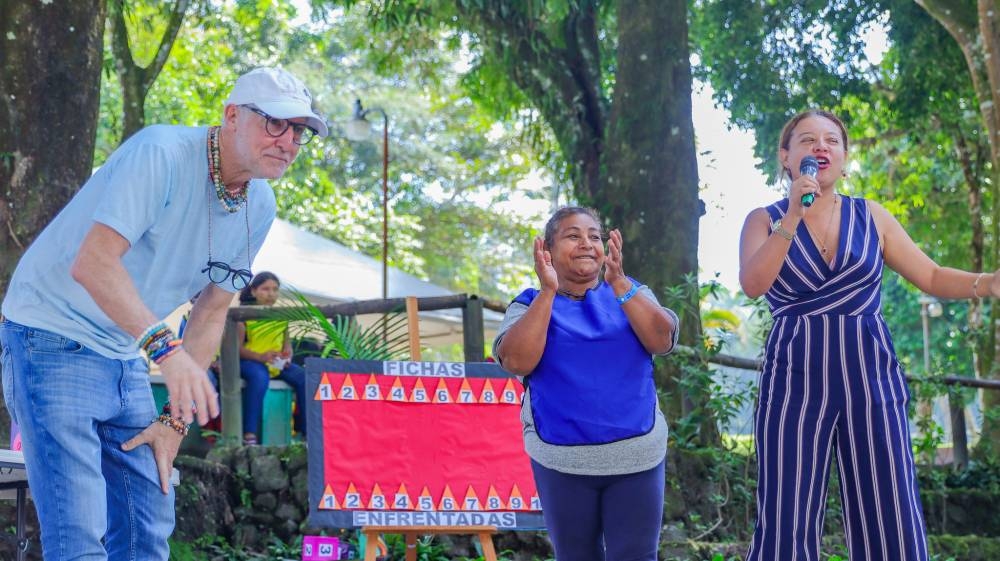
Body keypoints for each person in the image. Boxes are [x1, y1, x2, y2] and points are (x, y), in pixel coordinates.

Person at [0, 66, 327, 560]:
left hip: (123, 348)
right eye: (276, 123)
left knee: (148, 521)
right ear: (232, 116)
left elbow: (214, 309)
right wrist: (167, 353)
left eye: (300, 130)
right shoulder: (160, 152)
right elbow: (92, 264)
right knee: (79, 533)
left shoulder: (260, 203)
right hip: (48, 331)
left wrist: (174, 423)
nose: (289, 141)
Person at [739, 108, 1000, 561]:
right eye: (807, 140)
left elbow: (933, 277)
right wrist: (794, 216)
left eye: (831, 141)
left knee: (889, 512)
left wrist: (988, 283)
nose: (821, 147)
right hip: (794, 380)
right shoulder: (763, 220)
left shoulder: (871, 216)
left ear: (843, 157)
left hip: (871, 376)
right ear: (786, 157)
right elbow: (754, 283)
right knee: (786, 515)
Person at [493, 206, 679, 560]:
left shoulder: (630, 293)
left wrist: (620, 282)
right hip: (561, 460)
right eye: (572, 235)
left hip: (637, 455)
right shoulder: (529, 304)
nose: (586, 244)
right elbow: (516, 360)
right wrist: (549, 291)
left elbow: (663, 341)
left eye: (594, 236)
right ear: (547, 251)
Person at [237, 271, 307, 445]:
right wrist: (261, 357)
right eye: (265, 289)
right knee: (260, 378)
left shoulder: (281, 315)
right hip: (249, 361)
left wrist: (287, 353)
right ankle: (249, 434)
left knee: (305, 377)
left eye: (275, 289)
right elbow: (235, 349)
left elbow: (287, 343)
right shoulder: (242, 314)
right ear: (253, 291)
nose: (271, 294)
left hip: (276, 362)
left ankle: (305, 432)